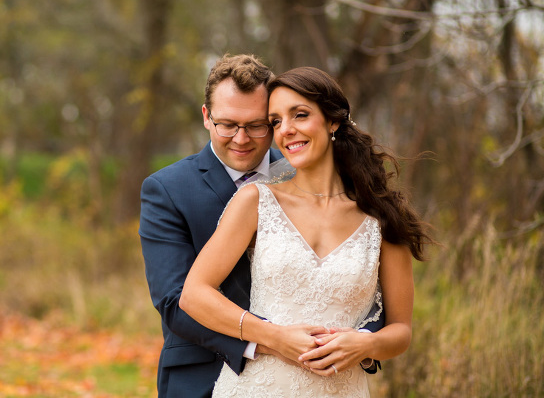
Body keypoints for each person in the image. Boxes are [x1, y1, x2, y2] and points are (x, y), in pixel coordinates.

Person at [179, 67, 433, 397]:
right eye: (276, 122)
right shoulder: (256, 201)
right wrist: (273, 336)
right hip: (257, 388)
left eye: (299, 115)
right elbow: (194, 294)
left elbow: (401, 331)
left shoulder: (382, 219)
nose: (286, 130)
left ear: (333, 121)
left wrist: (364, 344)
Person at [139, 54, 285, 398]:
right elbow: (174, 301)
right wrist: (266, 342)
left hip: (300, 376)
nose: (241, 138)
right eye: (228, 125)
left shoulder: (302, 174)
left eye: (255, 125)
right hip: (203, 374)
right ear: (206, 117)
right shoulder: (166, 189)